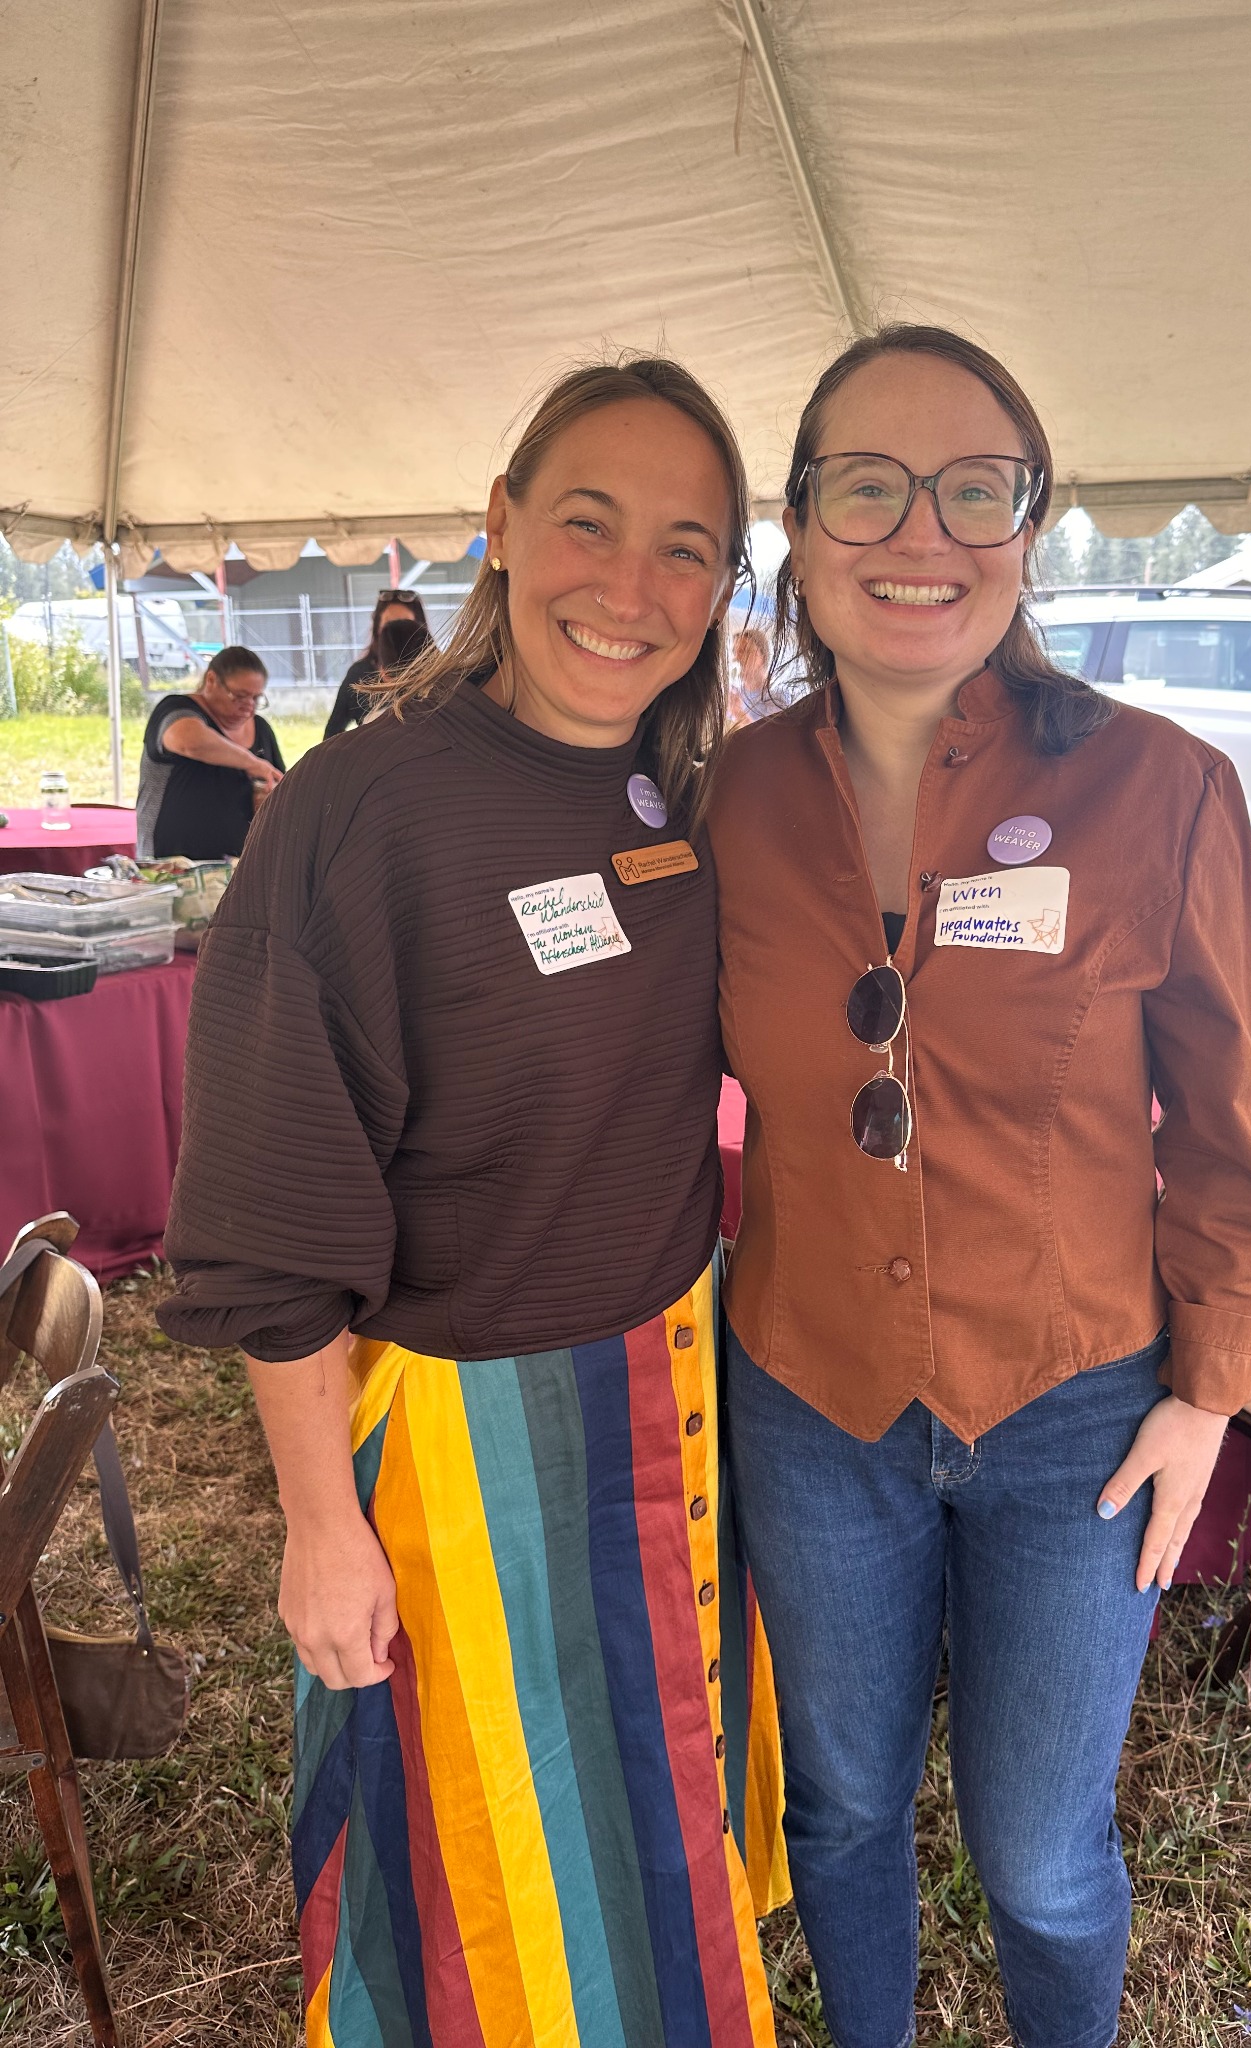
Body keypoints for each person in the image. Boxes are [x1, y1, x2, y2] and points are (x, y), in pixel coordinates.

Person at [159, 359, 787, 2045]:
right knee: (472, 1888)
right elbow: (272, 1200)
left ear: (727, 587)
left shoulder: (677, 784)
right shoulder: (363, 812)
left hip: (667, 1405)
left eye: (686, 548)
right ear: (500, 525)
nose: (630, 588)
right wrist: (314, 1518)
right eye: (588, 522)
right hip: (462, 1441)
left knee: (650, 1833)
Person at [708, 325, 1251, 2048]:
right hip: (809, 1391)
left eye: (978, 486)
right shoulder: (722, 801)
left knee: (1040, 1857)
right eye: (865, 485)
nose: (922, 533)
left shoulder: (1160, 787)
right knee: (840, 1807)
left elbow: (1230, 1133)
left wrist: (1207, 1394)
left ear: (1035, 522)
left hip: (1077, 1413)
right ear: (800, 531)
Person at [135, 645, 284, 859]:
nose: (248, 707)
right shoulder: (176, 709)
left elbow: (279, 785)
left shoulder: (260, 729)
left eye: (256, 698)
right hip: (172, 864)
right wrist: (252, 762)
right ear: (211, 680)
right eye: (239, 696)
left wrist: (266, 798)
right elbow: (190, 741)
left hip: (239, 864)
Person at [324, 586, 432, 736]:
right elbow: (332, 733)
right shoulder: (359, 675)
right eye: (389, 624)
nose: (395, 634)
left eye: (403, 623)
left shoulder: (441, 675)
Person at [726, 626, 772, 726]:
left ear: (762, 656)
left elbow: (769, 739)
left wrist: (738, 713)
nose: (736, 658)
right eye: (735, 652)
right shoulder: (733, 694)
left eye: (744, 651)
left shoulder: (777, 698)